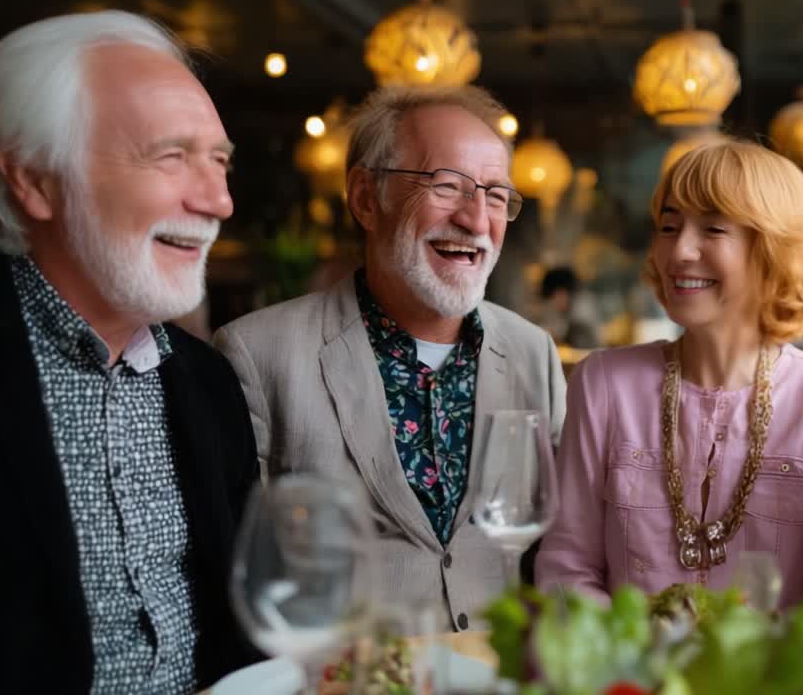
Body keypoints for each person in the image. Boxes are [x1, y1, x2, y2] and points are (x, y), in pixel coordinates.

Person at [0, 11, 258, 694]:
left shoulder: (208, 380)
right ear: (34, 179)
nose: (220, 201)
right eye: (171, 156)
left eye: (220, 162)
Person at [213, 85, 566, 632]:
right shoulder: (256, 354)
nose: (476, 220)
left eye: (496, 195)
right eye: (447, 186)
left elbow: (559, 547)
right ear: (365, 198)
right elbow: (242, 570)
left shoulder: (532, 351)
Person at [535, 140, 803, 606]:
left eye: (713, 229)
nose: (679, 251)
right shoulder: (604, 384)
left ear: (772, 248)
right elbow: (566, 567)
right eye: (668, 226)